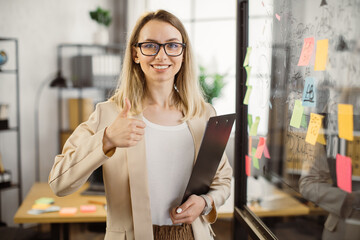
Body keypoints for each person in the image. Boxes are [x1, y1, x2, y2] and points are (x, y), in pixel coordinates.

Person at [49, 9, 232, 240]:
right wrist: (106, 139)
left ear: (183, 54)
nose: (162, 56)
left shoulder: (203, 114)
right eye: (150, 45)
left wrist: (206, 202)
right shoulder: (109, 114)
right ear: (136, 53)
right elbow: (59, 183)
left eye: (173, 45)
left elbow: (223, 181)